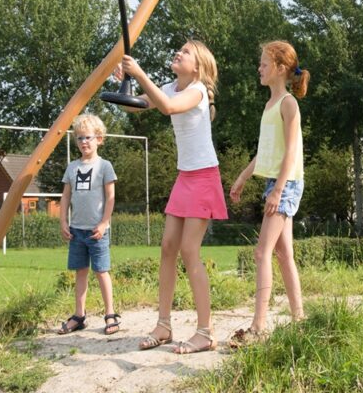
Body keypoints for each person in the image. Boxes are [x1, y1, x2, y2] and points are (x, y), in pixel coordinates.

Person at [118, 40, 226, 354]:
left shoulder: (197, 91)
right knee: (168, 248)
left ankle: (205, 332)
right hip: (185, 176)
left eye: (186, 52)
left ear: (198, 67)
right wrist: (123, 83)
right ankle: (163, 325)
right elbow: (134, 105)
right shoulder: (169, 86)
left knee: (190, 251)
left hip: (204, 176)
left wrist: (138, 72)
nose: (178, 53)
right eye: (178, 50)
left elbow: (167, 108)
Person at [228, 41, 309, 347]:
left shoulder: (289, 104)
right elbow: (264, 153)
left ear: (279, 68)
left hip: (285, 183)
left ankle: (259, 327)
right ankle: (299, 318)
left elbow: (291, 152)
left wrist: (277, 191)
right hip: (276, 181)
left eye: (263, 64)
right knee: (282, 253)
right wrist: (242, 178)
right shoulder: (269, 106)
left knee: (262, 252)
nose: (259, 69)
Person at [58, 113, 120, 336]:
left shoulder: (105, 166)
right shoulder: (72, 167)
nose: (84, 142)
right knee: (80, 272)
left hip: (97, 232)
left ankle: (110, 313)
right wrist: (63, 220)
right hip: (77, 231)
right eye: (80, 138)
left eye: (89, 138)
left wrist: (104, 223)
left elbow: (111, 197)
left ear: (99, 139)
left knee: (101, 271)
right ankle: (79, 315)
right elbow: (65, 197)